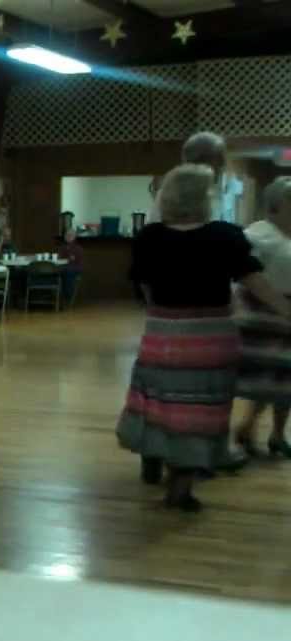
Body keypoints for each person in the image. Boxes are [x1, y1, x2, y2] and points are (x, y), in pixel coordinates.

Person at [116, 164, 291, 512]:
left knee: (158, 401)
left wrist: (164, 315)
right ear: (203, 198)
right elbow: (254, 280)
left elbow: (146, 288)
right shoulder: (225, 236)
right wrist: (287, 311)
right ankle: (181, 484)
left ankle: (153, 455)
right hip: (210, 339)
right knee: (200, 411)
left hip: (162, 334)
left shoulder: (149, 238)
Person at [233, 177, 291, 458]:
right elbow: (245, 276)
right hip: (263, 314)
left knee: (286, 378)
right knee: (266, 378)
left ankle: (278, 434)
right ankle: (247, 428)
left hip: (287, 314)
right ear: (277, 205)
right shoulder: (258, 234)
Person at [57, 227, 84, 306]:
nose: (68, 237)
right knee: (56, 273)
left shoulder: (78, 248)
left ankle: (66, 298)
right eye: (66, 235)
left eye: (70, 235)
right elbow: (59, 259)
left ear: (74, 237)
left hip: (75, 269)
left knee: (67, 272)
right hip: (63, 268)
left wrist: (70, 260)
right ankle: (56, 297)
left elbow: (78, 263)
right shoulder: (62, 247)